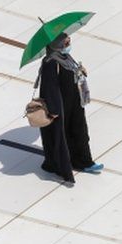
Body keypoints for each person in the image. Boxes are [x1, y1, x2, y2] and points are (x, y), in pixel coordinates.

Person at [37, 34, 103, 183]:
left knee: (80, 131)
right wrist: (53, 111)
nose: (68, 44)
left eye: (69, 42)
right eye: (65, 42)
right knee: (62, 136)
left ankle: (84, 162)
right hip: (60, 108)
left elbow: (72, 72)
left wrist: (80, 70)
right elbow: (49, 88)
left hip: (75, 102)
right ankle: (59, 165)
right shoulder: (50, 62)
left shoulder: (65, 57)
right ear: (57, 44)